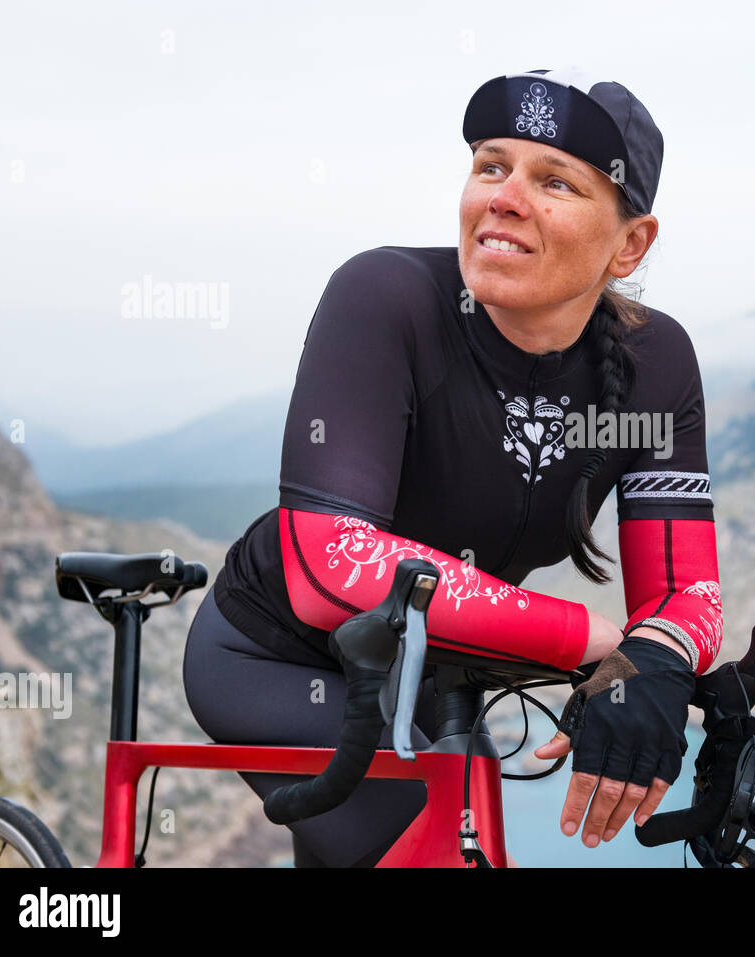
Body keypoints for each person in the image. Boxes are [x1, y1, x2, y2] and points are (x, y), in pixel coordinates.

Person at [181, 66, 723, 867]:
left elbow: (687, 594)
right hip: (277, 653)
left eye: (556, 181)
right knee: (424, 829)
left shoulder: (658, 363)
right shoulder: (384, 296)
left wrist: (655, 661)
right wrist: (593, 638)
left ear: (630, 243)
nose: (503, 197)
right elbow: (332, 565)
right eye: (490, 165)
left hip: (432, 672)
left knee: (459, 827)